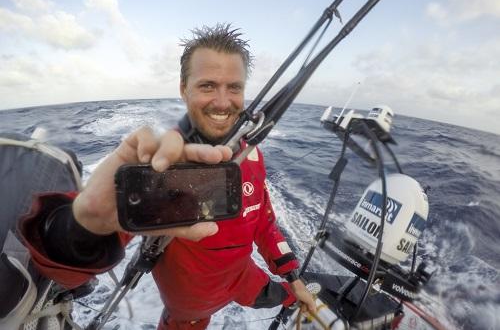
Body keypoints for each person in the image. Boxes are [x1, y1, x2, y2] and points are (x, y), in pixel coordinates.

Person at [18, 23, 316, 329]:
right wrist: (82, 226)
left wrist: (292, 277)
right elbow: (74, 259)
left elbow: (264, 222)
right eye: (207, 85)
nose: (224, 101)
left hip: (245, 280)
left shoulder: (252, 154)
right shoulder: (161, 163)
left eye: (234, 87)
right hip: (190, 306)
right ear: (183, 89)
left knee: (290, 296)